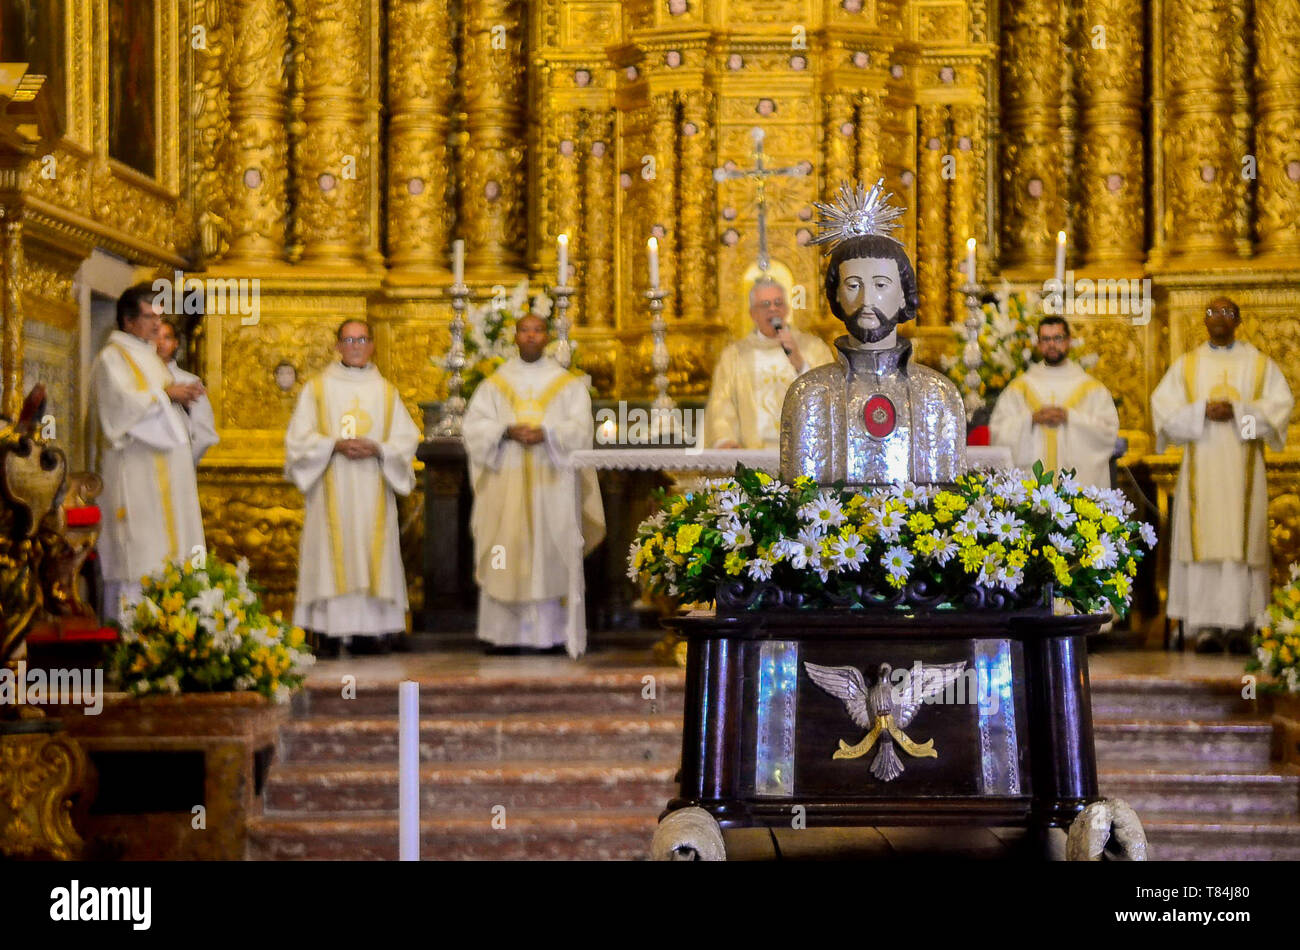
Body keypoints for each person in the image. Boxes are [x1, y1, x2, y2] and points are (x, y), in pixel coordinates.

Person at [782, 180, 965, 485]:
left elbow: (953, 507)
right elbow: (795, 510)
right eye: (853, 285)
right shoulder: (809, 395)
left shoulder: (937, 394)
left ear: (904, 294)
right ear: (836, 295)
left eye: (881, 285)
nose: (867, 300)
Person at [1151, 297, 1294, 653]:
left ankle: (1243, 626)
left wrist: (1238, 414)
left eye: (1227, 313)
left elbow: (1278, 411)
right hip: (1202, 472)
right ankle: (1206, 628)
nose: (1220, 318)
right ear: (1204, 320)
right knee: (1203, 543)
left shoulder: (1259, 366)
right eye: (1213, 312)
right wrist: (1202, 413)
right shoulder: (1187, 366)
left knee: (1242, 544)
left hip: (1244, 473)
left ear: (1239, 320)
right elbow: (1163, 413)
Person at [463, 313, 605, 657]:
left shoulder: (567, 384)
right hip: (505, 483)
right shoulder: (494, 385)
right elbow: (473, 428)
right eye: (524, 330)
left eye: (537, 330)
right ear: (515, 336)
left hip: (552, 484)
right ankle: (503, 635)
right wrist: (504, 431)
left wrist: (548, 433)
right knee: (504, 553)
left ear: (547, 337)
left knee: (551, 551)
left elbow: (582, 430)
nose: (530, 336)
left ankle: (553, 634)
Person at [285, 320, 420, 657]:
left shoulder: (386, 392)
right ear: (338, 346)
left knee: (370, 552)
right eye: (349, 340)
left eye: (362, 339)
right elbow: (297, 442)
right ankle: (329, 633)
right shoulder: (316, 389)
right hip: (331, 488)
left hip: (372, 487)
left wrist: (379, 449)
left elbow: (406, 439)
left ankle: (371, 634)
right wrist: (332, 445)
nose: (356, 346)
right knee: (331, 555)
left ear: (372, 345)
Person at [91, 283, 206, 623]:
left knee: (169, 552)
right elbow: (121, 411)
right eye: (150, 315)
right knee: (140, 554)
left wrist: (175, 396)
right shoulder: (113, 358)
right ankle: (133, 633)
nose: (158, 323)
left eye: (160, 315)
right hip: (137, 474)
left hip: (165, 475)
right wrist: (166, 394)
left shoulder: (146, 357)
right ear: (128, 321)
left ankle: (175, 627)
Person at [702, 274, 835, 449]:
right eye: (765, 305)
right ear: (753, 314)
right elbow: (722, 402)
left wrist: (800, 364)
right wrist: (725, 439)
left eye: (778, 303)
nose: (773, 309)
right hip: (751, 454)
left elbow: (831, 394)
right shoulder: (734, 355)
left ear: (787, 309)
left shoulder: (813, 347)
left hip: (804, 451)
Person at [989, 316, 1120, 488]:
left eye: (1057, 338)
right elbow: (997, 432)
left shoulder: (1092, 389)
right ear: (1038, 343)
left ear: (1069, 341)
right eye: (1046, 339)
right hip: (1031, 490)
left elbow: (1108, 432)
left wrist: (1070, 417)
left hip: (1078, 488)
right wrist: (1031, 419)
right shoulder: (1019, 388)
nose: (1052, 344)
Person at [156, 319, 219, 466]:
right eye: (156, 337)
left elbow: (204, 433)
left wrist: (185, 464)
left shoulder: (190, 382)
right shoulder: (140, 379)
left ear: (176, 343)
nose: (160, 343)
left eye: (167, 337)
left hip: (177, 460)